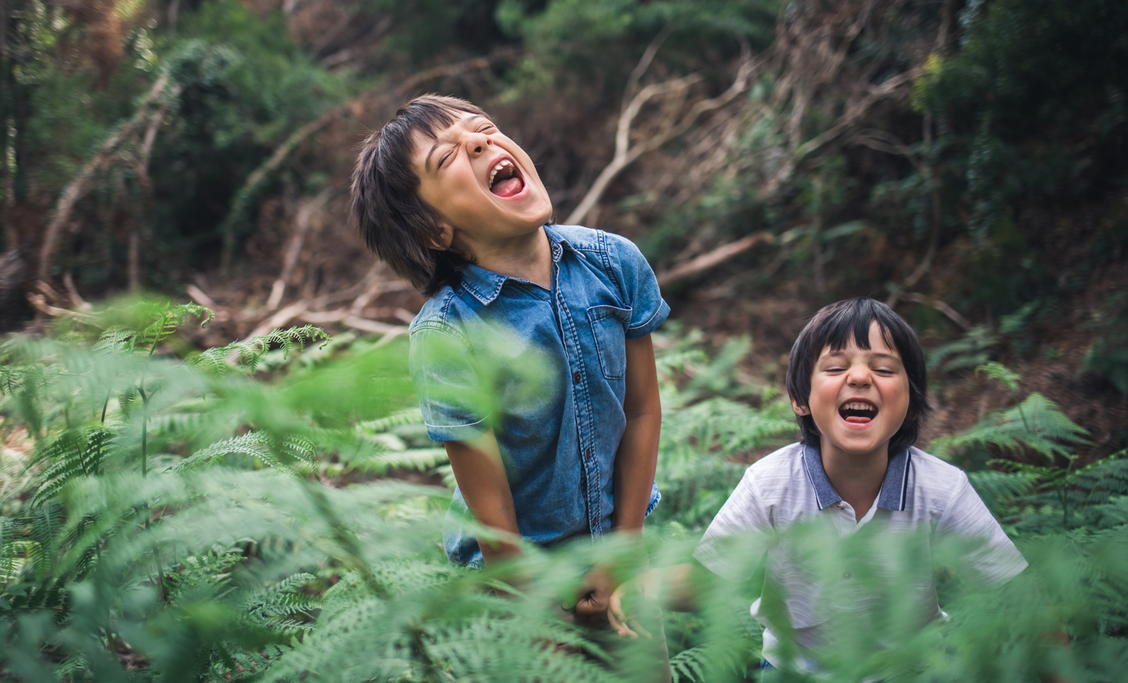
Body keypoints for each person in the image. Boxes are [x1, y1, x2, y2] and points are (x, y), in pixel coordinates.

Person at [349, 94, 669, 622]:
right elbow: (490, 506)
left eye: (484, 127)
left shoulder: (614, 263)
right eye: (446, 159)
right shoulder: (448, 333)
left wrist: (623, 551)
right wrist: (529, 609)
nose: (478, 140)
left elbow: (641, 411)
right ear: (434, 230)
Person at [610, 297, 1027, 675]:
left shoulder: (941, 489)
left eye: (883, 369)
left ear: (913, 401)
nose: (860, 378)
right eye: (835, 367)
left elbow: (1015, 595)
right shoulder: (771, 483)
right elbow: (711, 577)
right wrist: (644, 587)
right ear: (801, 399)